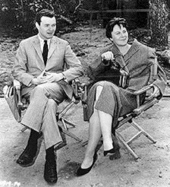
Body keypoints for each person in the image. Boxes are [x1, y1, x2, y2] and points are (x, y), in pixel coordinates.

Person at [76, 17, 167, 176]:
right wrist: (103, 62)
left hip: (131, 96)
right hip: (109, 97)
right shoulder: (107, 52)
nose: (123, 35)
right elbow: (90, 73)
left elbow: (160, 75)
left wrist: (157, 89)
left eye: (124, 31)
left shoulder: (145, 51)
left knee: (101, 90)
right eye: (118, 33)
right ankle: (103, 145)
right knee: (100, 87)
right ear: (111, 37)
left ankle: (95, 151)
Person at [13, 9, 83, 184]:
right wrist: (33, 79)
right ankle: (50, 158)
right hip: (33, 88)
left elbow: (79, 68)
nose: (51, 29)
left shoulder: (63, 44)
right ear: (37, 25)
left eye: (53, 25)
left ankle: (32, 141)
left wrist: (59, 76)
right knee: (49, 105)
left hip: (56, 87)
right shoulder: (25, 45)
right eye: (47, 25)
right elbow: (17, 70)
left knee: (43, 92)